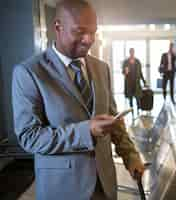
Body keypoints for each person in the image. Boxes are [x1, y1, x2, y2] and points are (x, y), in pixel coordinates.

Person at [11, 1, 144, 199]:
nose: (88, 39)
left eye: (93, 32)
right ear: (58, 27)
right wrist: (85, 131)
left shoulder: (101, 68)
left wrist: (130, 154)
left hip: (105, 184)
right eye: (80, 31)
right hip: (63, 189)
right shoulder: (29, 73)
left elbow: (113, 120)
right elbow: (29, 137)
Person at [122, 48, 146, 116]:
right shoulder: (126, 62)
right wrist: (125, 71)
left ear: (134, 52)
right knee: (130, 98)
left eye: (133, 52)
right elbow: (123, 72)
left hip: (136, 82)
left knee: (138, 97)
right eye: (131, 52)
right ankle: (132, 111)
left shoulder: (137, 61)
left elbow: (140, 72)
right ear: (129, 53)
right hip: (129, 83)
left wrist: (144, 81)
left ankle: (138, 111)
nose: (132, 53)